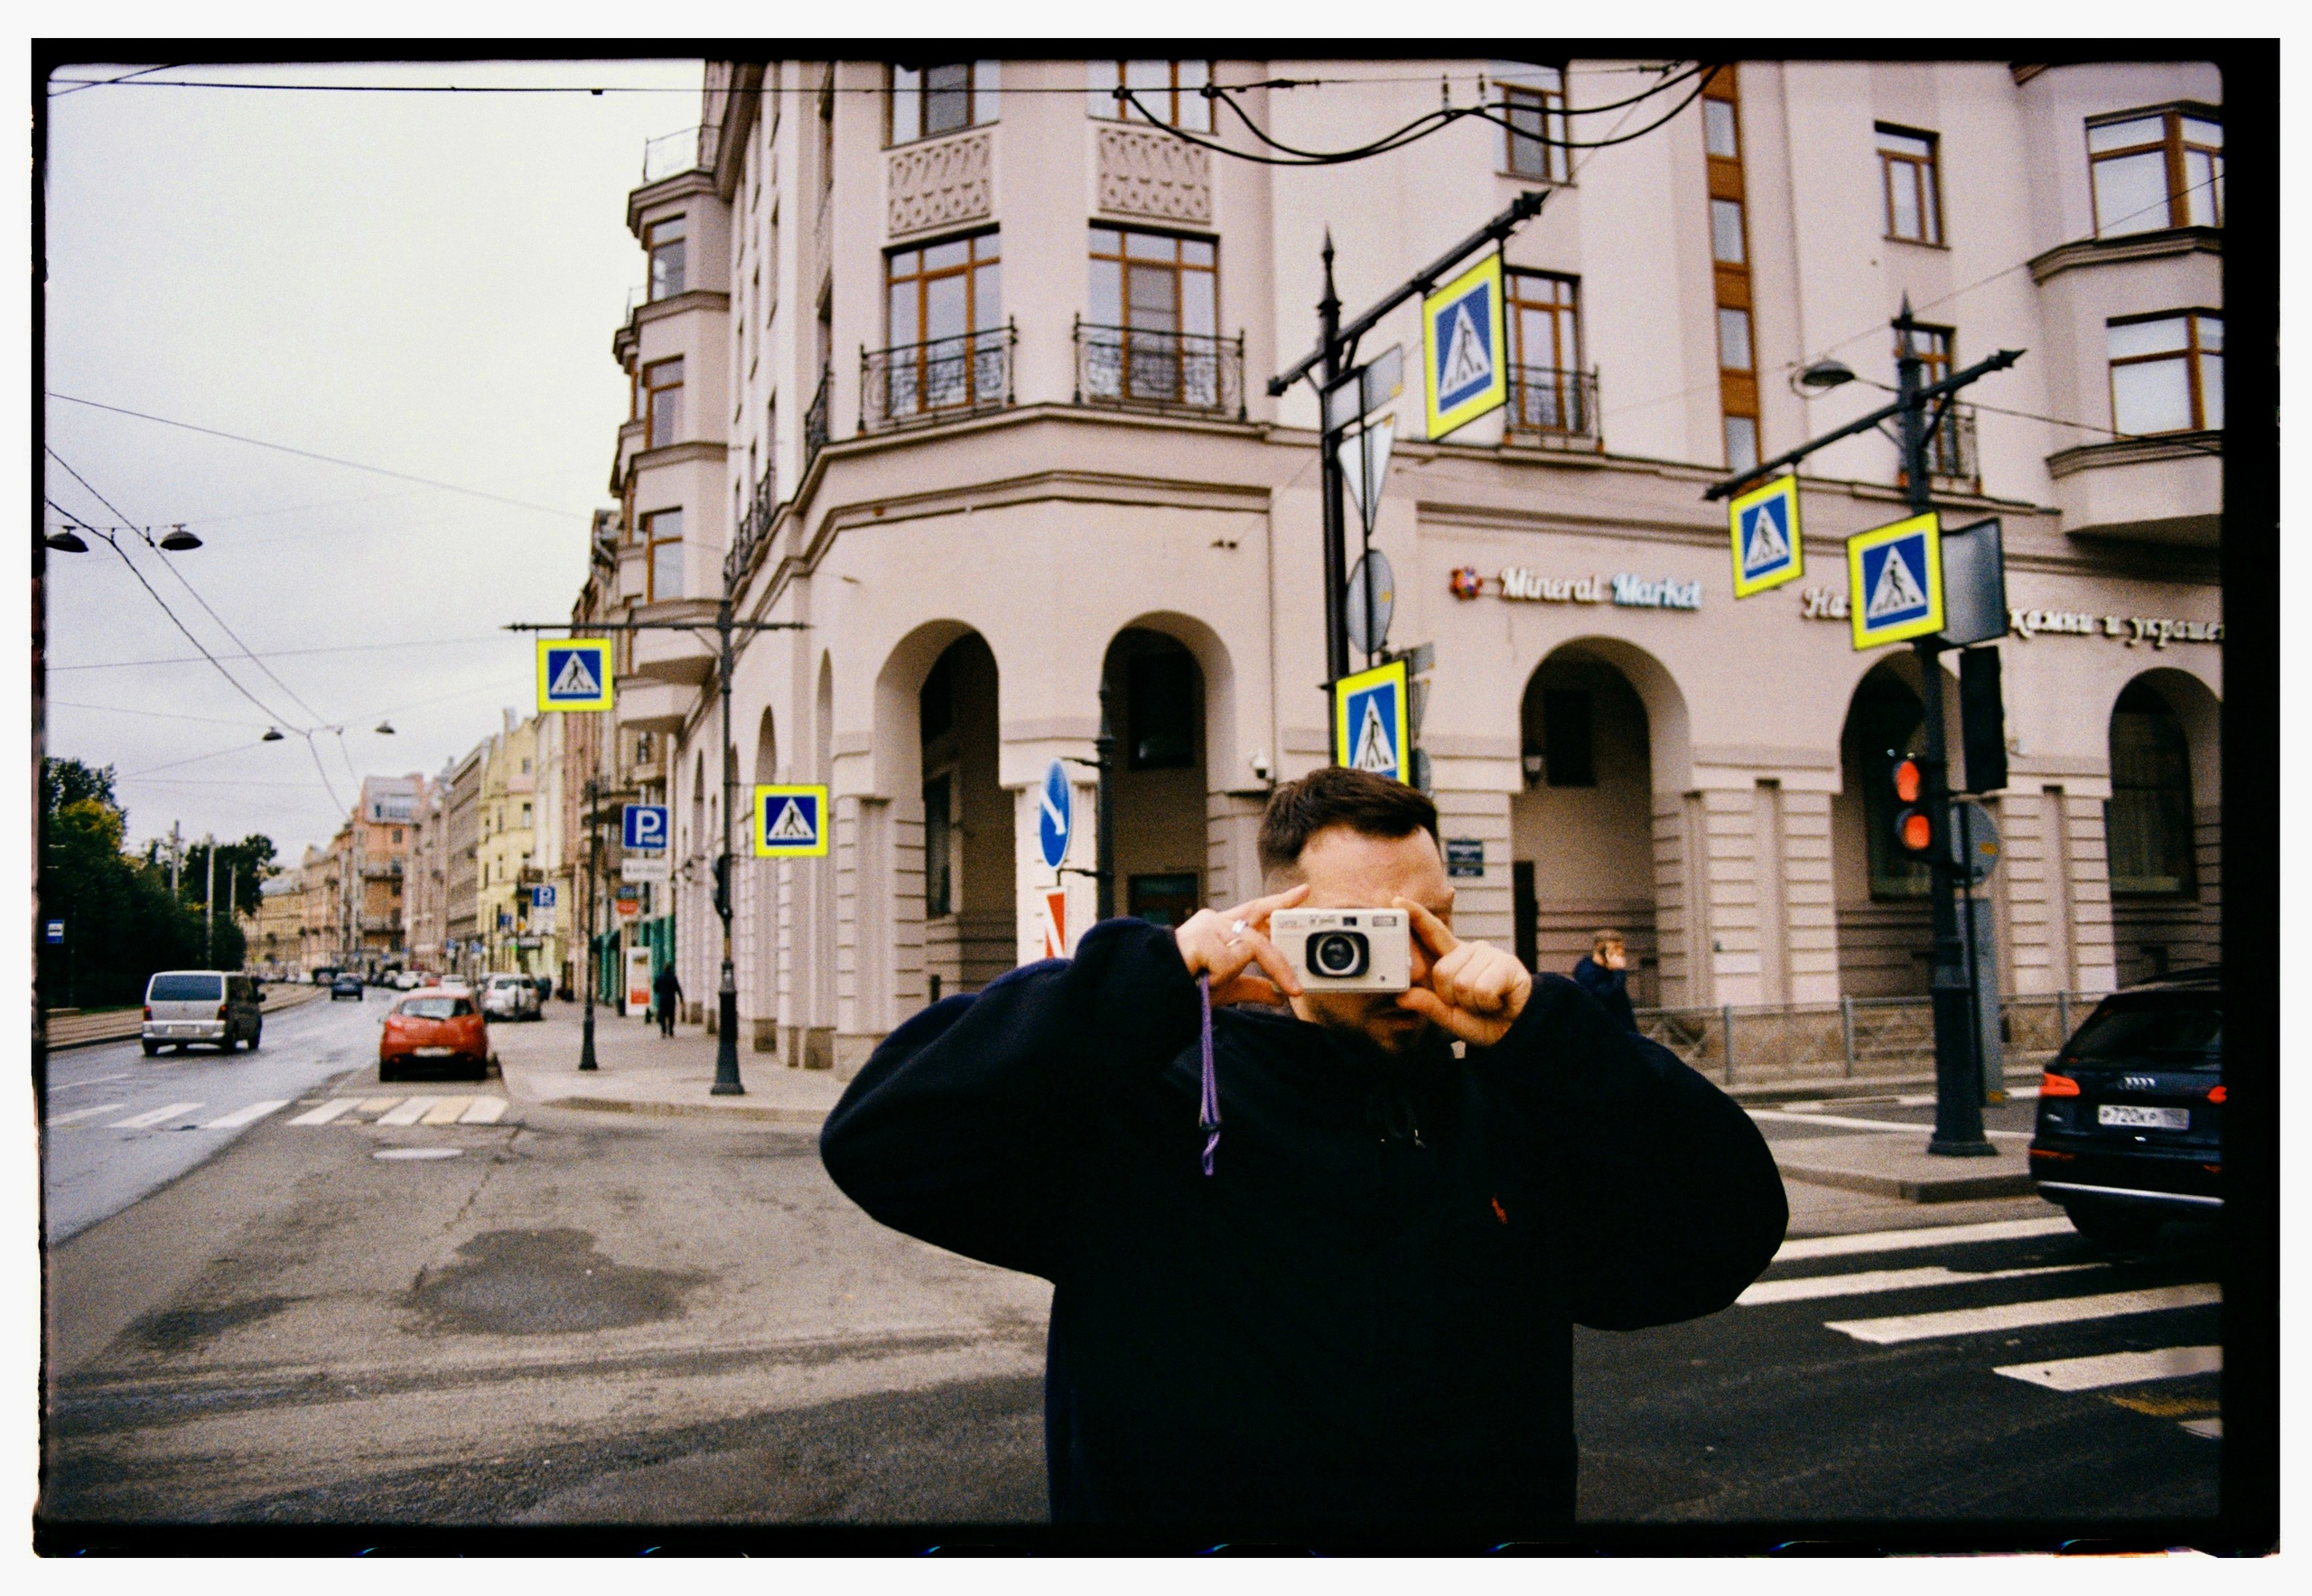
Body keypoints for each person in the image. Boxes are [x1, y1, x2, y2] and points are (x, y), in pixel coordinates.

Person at [819, 767, 1785, 1537]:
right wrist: (1152, 979)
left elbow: (1721, 1234)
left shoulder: (1503, 1107)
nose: (1411, 960)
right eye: (1365, 932)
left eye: (1432, 921)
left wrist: (1551, 1035)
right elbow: (883, 1139)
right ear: (1280, 925)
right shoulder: (1152, 1106)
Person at [1572, 929, 1639, 1034]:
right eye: (1615, 948)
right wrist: (1619, 971)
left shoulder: (1610, 970)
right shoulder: (1586, 972)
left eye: (1621, 948)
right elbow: (1608, 994)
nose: (1620, 952)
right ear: (1599, 947)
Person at [650, 961, 681, 1038]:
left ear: (664, 969)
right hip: (671, 999)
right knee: (671, 1015)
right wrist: (681, 998)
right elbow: (678, 988)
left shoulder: (660, 977)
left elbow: (655, 988)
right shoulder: (673, 977)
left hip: (662, 999)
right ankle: (670, 1030)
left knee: (662, 1015)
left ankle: (663, 1031)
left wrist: (660, 992)